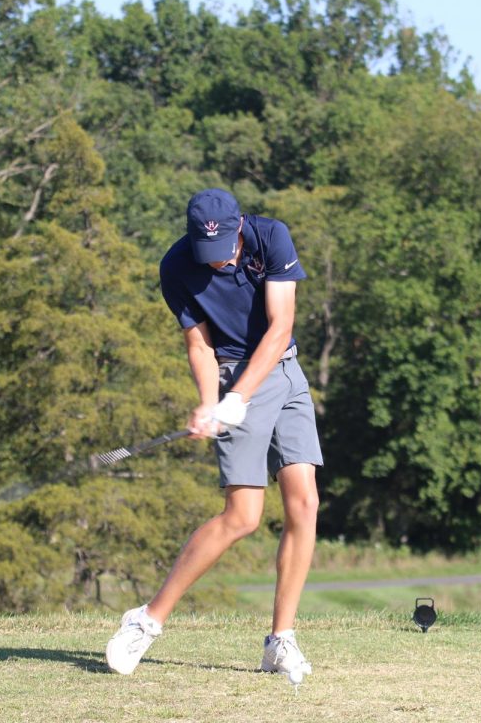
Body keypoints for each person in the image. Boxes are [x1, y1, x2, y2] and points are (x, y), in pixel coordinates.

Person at [105, 188, 323, 683]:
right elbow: (199, 344)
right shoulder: (177, 266)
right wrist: (209, 400)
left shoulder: (271, 238)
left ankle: (279, 641)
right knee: (243, 517)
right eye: (208, 249)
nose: (218, 257)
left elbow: (279, 325)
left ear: (239, 224)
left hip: (284, 374)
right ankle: (146, 619)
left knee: (304, 504)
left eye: (225, 244)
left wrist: (238, 398)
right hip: (230, 374)